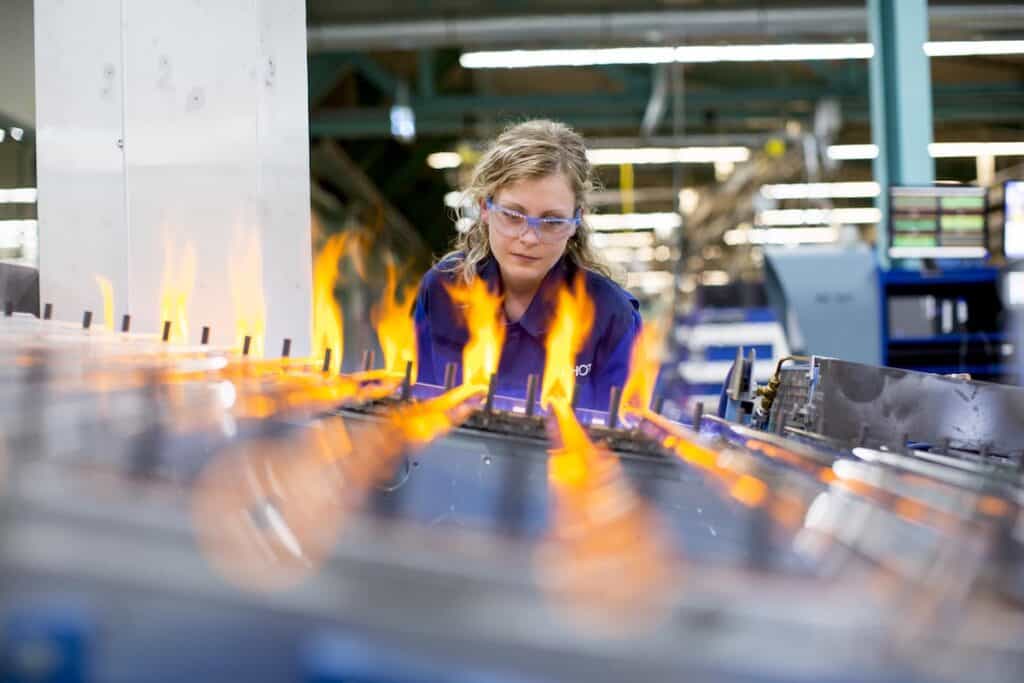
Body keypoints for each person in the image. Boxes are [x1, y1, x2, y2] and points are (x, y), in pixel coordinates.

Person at [413, 119, 641, 411]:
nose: (529, 237)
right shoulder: (442, 291)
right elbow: (415, 409)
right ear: (485, 207)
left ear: (575, 221)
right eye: (512, 215)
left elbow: (625, 437)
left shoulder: (611, 315)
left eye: (552, 221)